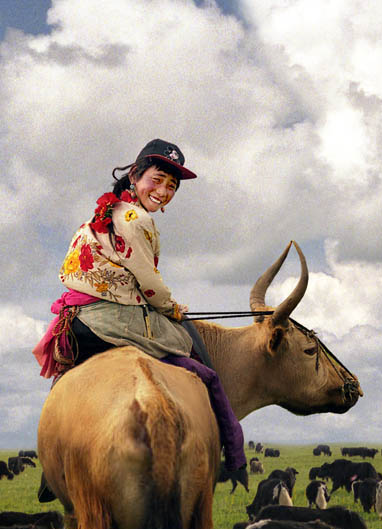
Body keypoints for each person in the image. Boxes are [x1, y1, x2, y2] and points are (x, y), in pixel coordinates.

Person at [33, 138, 247, 498]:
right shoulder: (135, 218)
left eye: (172, 186)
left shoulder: (107, 212)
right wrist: (173, 308)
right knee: (197, 357)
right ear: (135, 175)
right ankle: (231, 453)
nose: (163, 191)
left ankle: (51, 473)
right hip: (111, 320)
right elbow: (149, 283)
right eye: (158, 179)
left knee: (68, 380)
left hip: (78, 321)